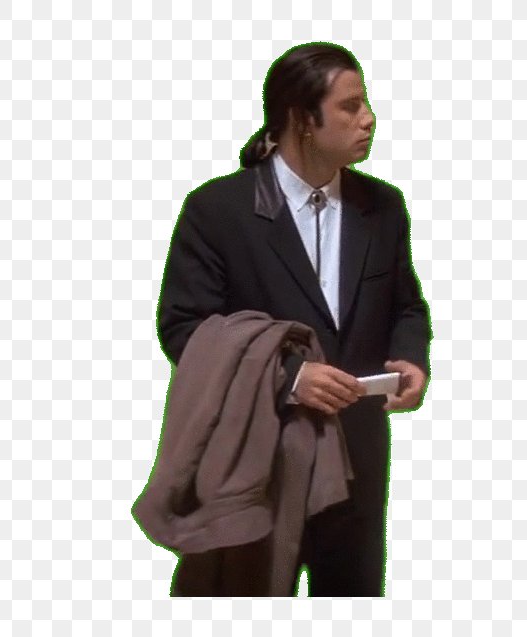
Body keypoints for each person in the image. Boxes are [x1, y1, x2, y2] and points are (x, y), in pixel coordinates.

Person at [156, 42, 433, 596]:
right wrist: (290, 376)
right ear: (302, 119)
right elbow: (184, 327)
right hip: (259, 449)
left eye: (366, 103)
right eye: (350, 106)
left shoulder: (383, 207)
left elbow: (406, 304)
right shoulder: (218, 211)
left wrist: (410, 356)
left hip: (357, 455)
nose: (369, 118)